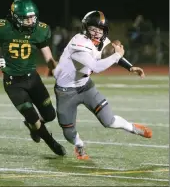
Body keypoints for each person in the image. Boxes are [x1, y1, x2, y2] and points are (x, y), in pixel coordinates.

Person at [53, 11, 152, 160]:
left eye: (100, 30)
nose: (96, 33)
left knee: (108, 120)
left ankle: (133, 128)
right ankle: (79, 145)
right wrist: (117, 55)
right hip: (65, 92)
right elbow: (96, 66)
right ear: (85, 28)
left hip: (85, 86)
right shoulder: (78, 43)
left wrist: (129, 67)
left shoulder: (102, 41)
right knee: (68, 132)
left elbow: (111, 53)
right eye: (93, 29)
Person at [0, 0, 66, 156]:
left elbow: (49, 58)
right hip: (13, 83)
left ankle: (32, 125)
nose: (31, 21)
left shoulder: (40, 31)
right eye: (27, 18)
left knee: (50, 115)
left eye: (33, 17)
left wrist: (58, 71)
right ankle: (51, 142)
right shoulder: (3, 28)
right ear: (15, 17)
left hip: (33, 79)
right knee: (32, 116)